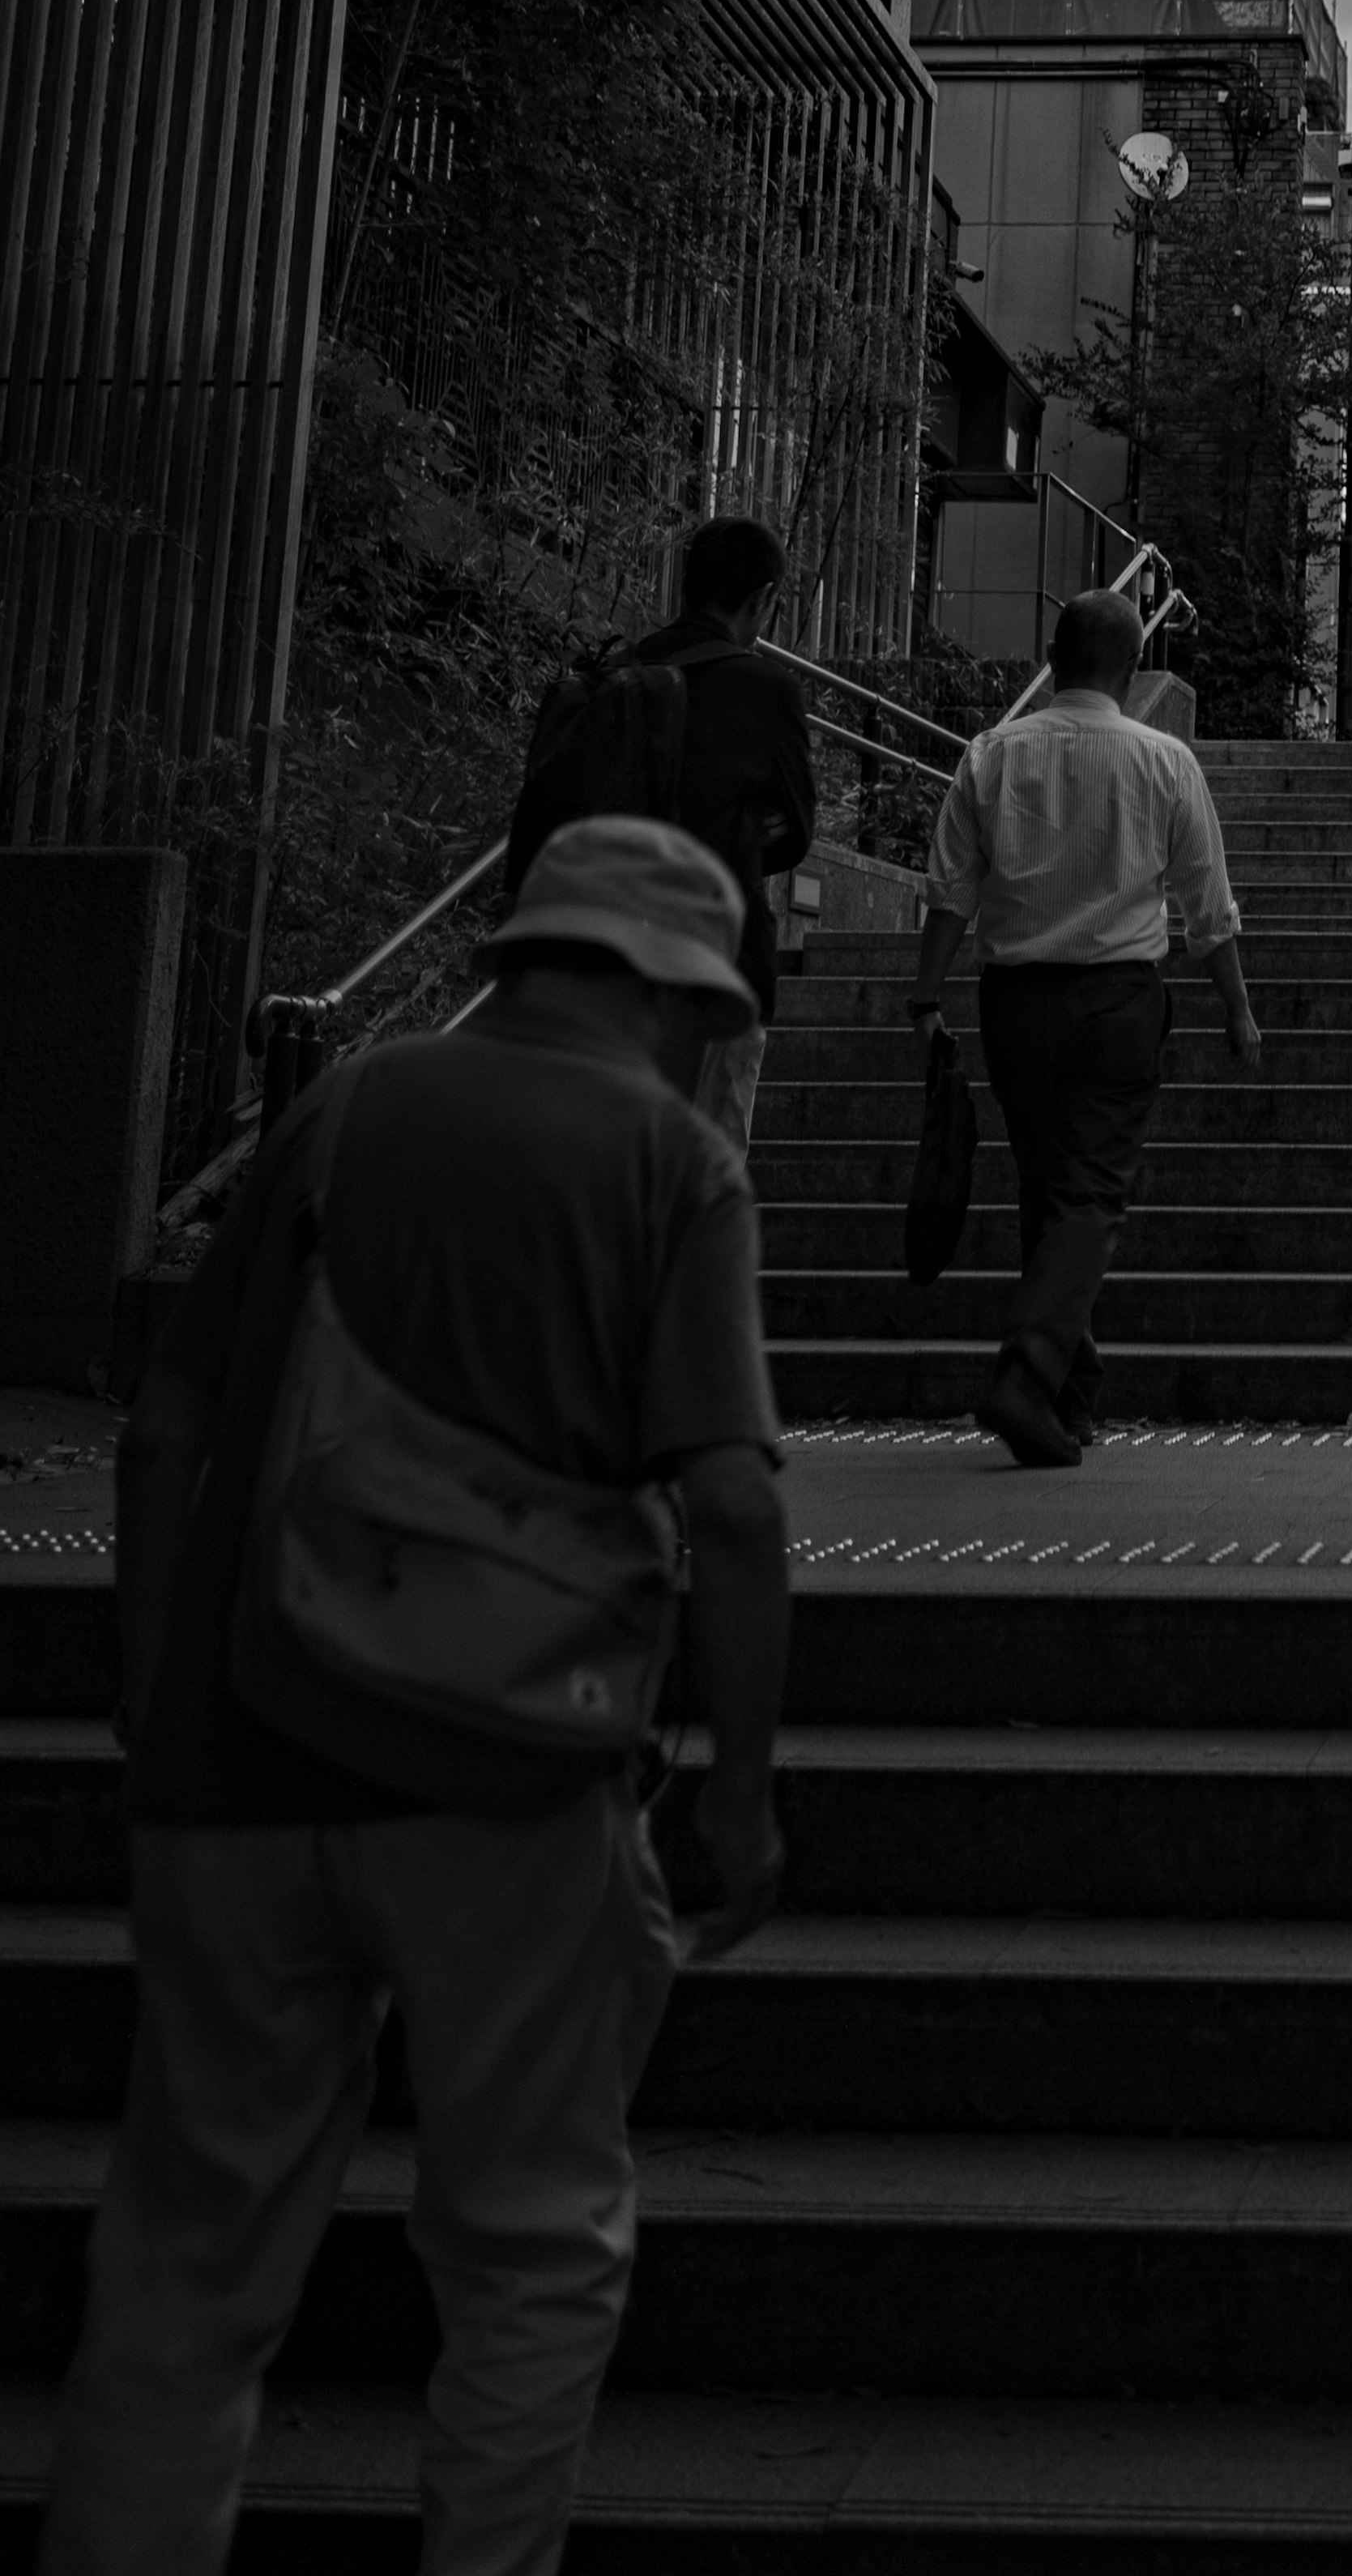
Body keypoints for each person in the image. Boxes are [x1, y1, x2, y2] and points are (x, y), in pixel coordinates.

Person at [46, 817, 791, 2576]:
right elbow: (737, 1503)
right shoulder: (669, 1162)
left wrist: (160, 1703)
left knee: (185, 2264)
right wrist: (741, 1787)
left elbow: (162, 1426)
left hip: (240, 1767)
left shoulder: (342, 1108)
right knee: (531, 2246)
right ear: (687, 997)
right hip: (513, 1784)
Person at [905, 586, 1260, 1470]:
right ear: (1133, 669)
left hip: (1015, 1002)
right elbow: (1206, 906)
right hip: (1117, 1004)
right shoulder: (1165, 761)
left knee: (1046, 1185)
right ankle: (1030, 1375)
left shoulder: (992, 754)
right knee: (1090, 1192)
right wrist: (1239, 1008)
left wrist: (924, 994)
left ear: (1054, 658)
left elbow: (950, 888)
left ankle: (1067, 1392)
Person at [505, 515, 817, 1155]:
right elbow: (797, 833)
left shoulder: (617, 673)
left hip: (604, 965)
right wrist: (741, 831)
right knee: (697, 1182)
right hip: (720, 966)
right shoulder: (769, 692)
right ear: (762, 600)